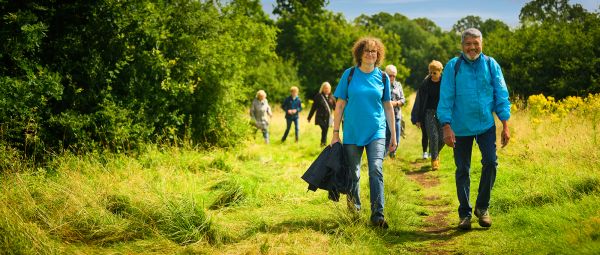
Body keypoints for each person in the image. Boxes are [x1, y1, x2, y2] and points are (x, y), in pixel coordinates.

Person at [437, 28, 511, 230]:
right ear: (462, 46)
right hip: (459, 128)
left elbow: (501, 94)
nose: (472, 47)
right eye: (468, 43)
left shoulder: (490, 64)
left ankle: (482, 207)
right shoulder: (454, 66)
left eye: (475, 43)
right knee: (463, 170)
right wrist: (446, 126)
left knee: (491, 162)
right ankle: (465, 214)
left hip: (486, 125)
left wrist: (505, 124)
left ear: (482, 44)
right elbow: (446, 98)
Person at [330, 36, 397, 229]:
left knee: (376, 169)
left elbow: (388, 106)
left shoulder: (383, 77)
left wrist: (393, 134)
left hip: (377, 130)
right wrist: (335, 133)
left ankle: (378, 215)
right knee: (354, 173)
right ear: (360, 53)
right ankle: (354, 212)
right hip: (352, 130)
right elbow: (340, 104)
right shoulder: (349, 74)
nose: (370, 54)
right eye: (366, 50)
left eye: (374, 51)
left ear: (378, 55)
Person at [412, 60, 445, 170]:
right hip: (429, 113)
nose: (432, 75)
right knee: (433, 136)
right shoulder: (425, 84)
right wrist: (417, 117)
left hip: (442, 113)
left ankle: (435, 152)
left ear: (440, 71)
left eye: (434, 73)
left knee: (442, 138)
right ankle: (434, 160)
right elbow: (419, 101)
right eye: (430, 72)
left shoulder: (445, 83)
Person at [384, 65, 405, 158]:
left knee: (396, 136)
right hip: (384, 115)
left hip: (396, 115)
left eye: (394, 76)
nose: (392, 77)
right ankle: (384, 155)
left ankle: (393, 154)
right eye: (390, 75)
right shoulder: (382, 85)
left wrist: (395, 103)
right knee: (385, 136)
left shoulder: (398, 85)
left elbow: (403, 99)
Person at [308, 82, 336, 146]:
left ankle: (323, 143)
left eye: (328, 88)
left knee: (325, 130)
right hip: (319, 117)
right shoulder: (318, 96)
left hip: (327, 118)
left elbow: (336, 108)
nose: (327, 90)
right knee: (324, 128)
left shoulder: (332, 97)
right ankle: (323, 143)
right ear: (322, 89)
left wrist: (338, 117)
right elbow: (313, 108)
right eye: (325, 88)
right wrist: (309, 117)